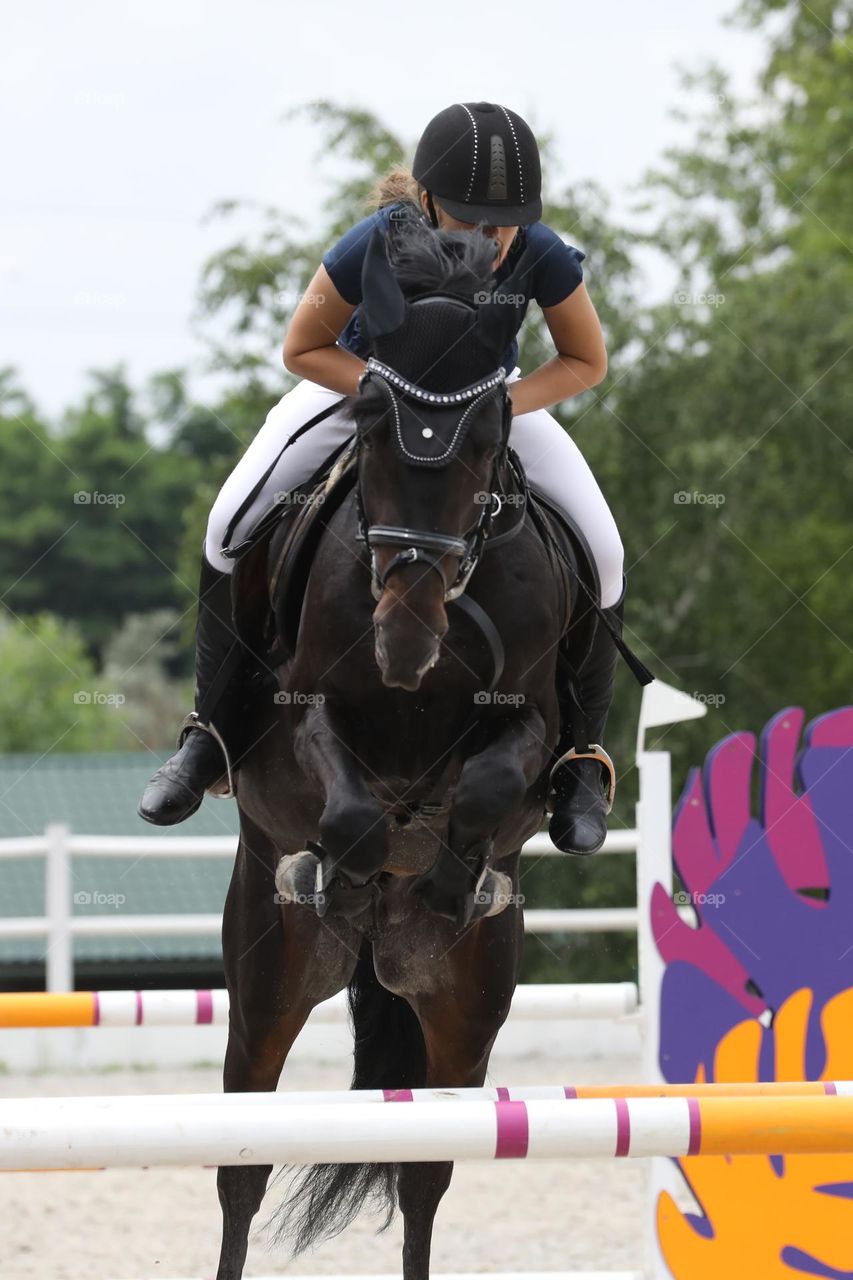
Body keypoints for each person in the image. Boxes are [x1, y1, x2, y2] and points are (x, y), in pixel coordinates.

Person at [138, 101, 627, 856]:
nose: (488, 237)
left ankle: (580, 761)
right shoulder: (372, 242)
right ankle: (212, 735)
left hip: (483, 403)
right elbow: (303, 347)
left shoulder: (542, 252)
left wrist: (492, 406)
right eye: (469, 217)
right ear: (427, 200)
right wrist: (386, 394)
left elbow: (585, 362)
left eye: (501, 223)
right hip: (362, 392)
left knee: (604, 548)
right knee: (231, 521)